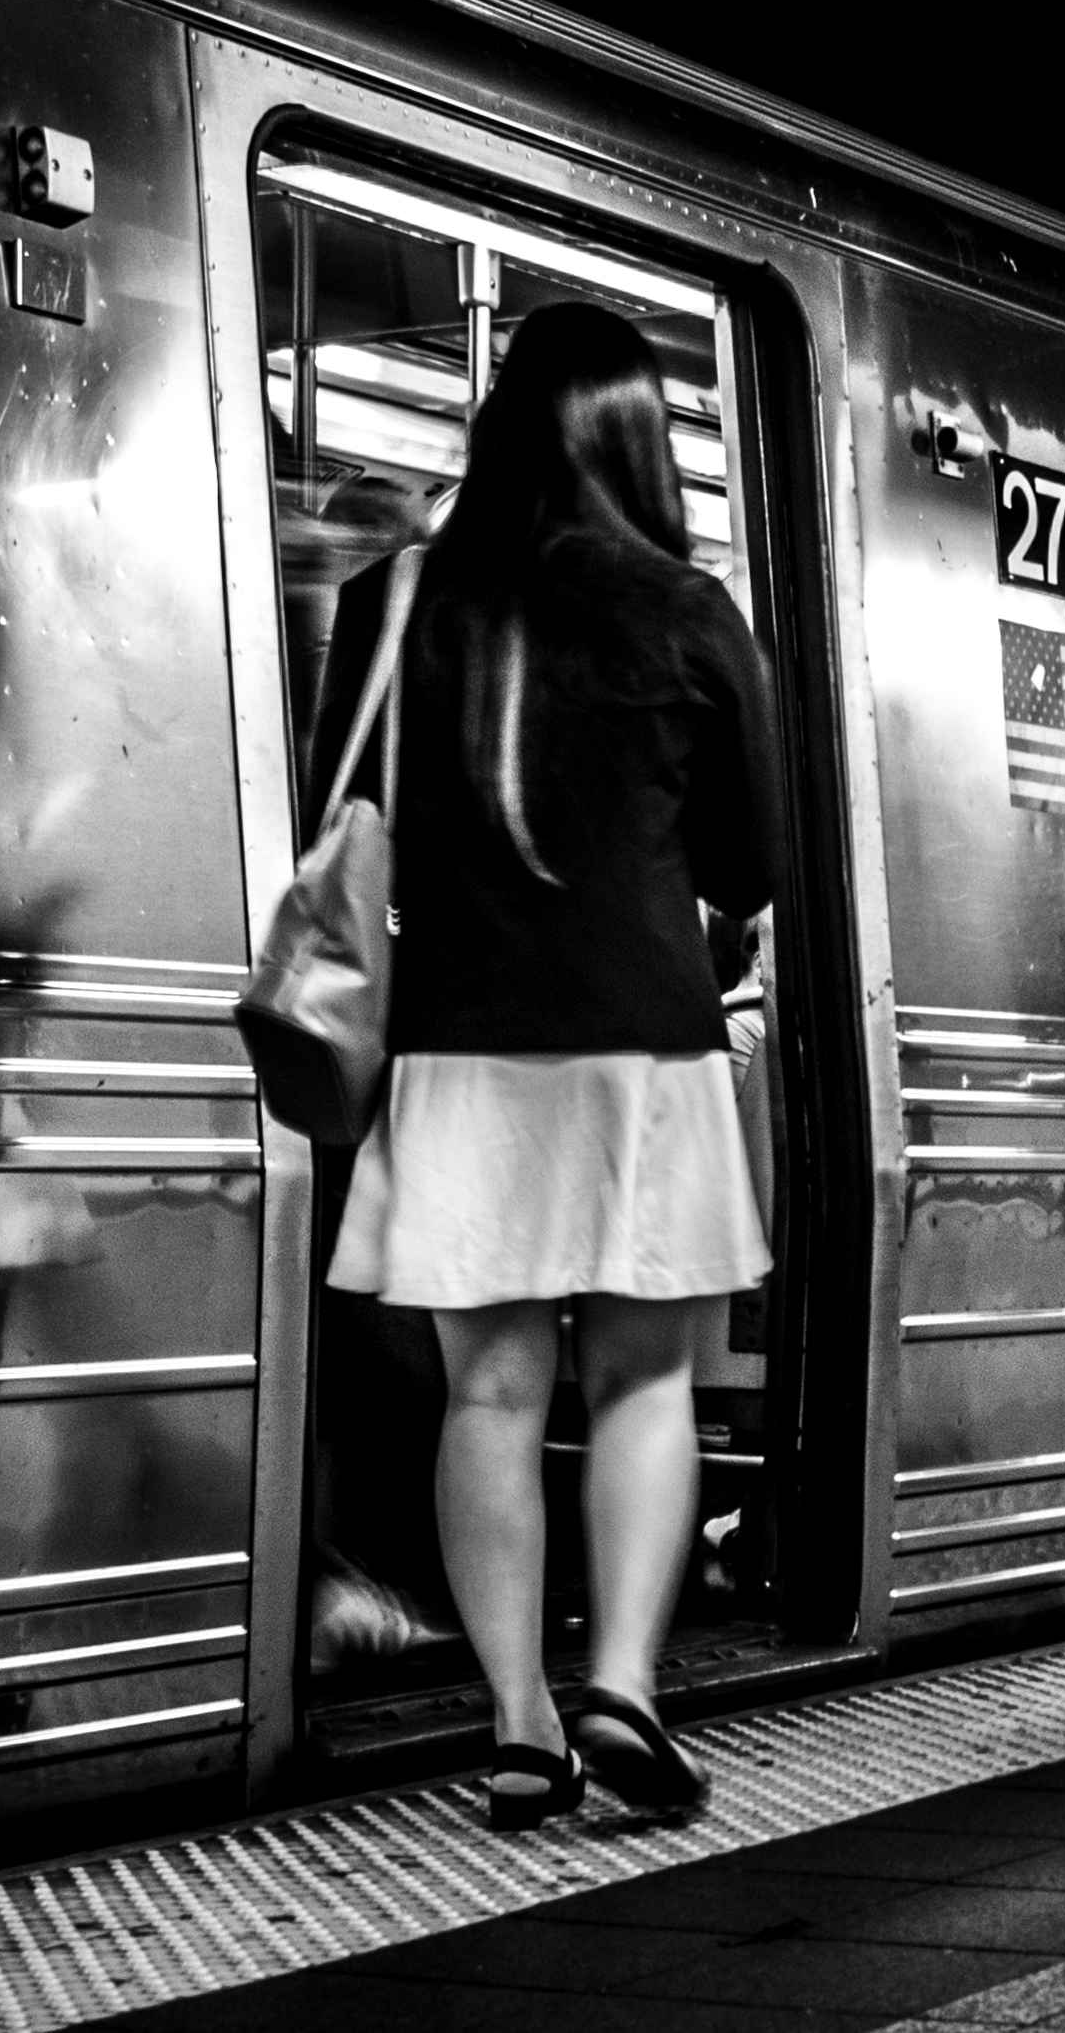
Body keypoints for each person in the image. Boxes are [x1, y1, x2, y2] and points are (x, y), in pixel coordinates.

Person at [324, 301, 782, 1829]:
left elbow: (339, 813)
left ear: (497, 427)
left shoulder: (396, 599)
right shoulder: (691, 610)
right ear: (642, 440)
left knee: (492, 1391)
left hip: (461, 1049)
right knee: (645, 1379)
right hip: (646, 1047)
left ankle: (520, 1721)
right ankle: (625, 1686)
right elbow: (753, 858)